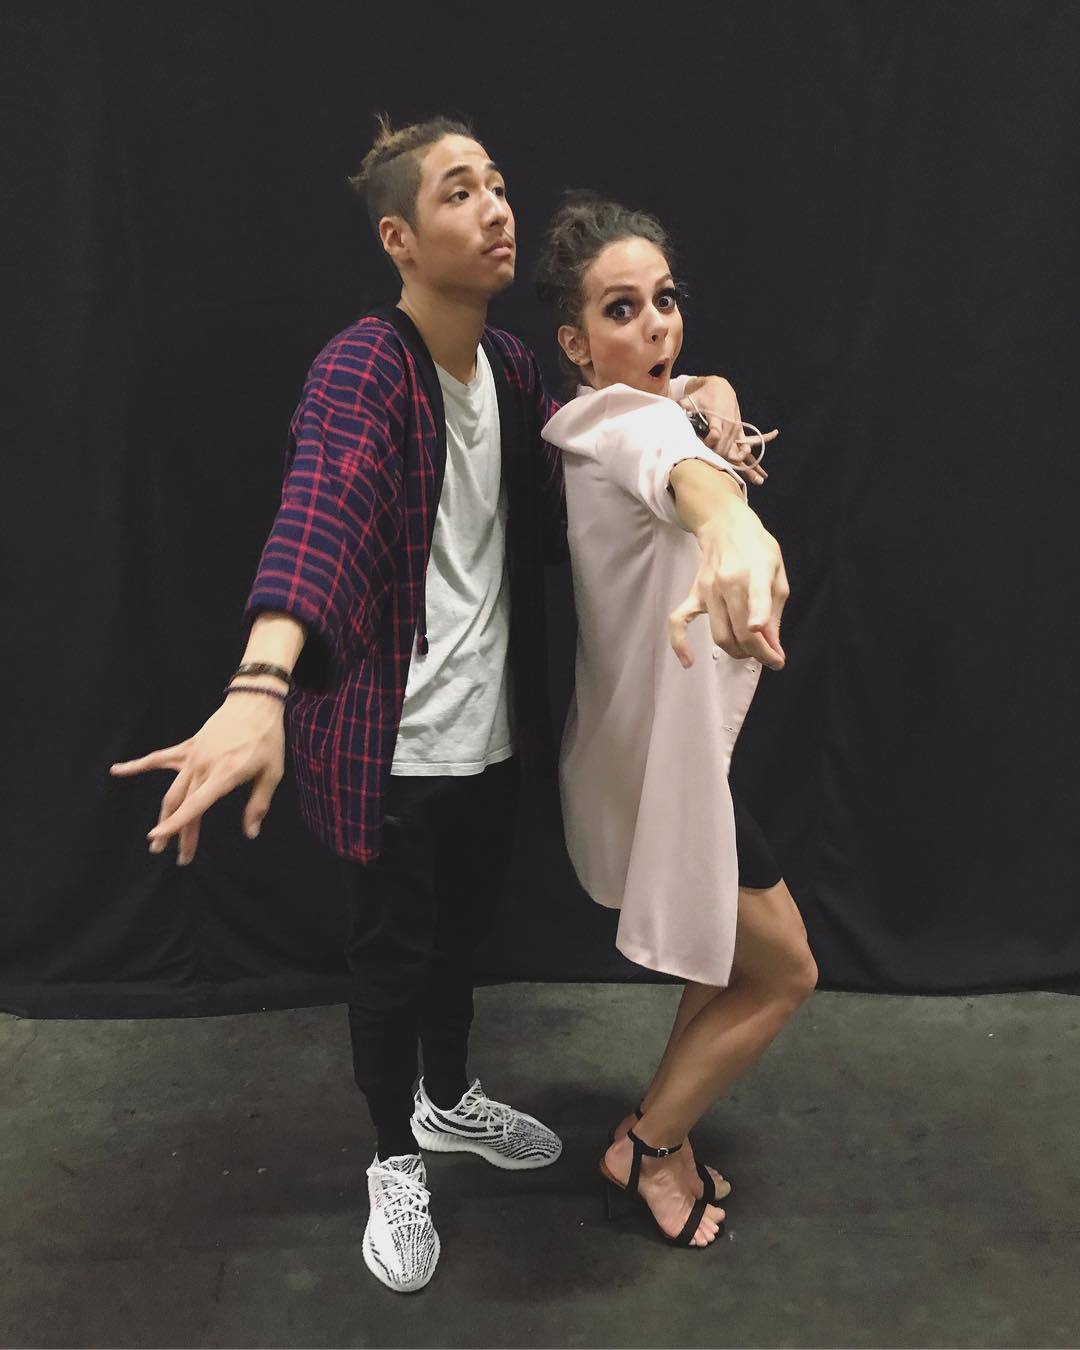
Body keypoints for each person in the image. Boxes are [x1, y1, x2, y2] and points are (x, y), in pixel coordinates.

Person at [108, 117, 755, 1293]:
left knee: (462, 939)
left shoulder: (509, 369)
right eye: (461, 192)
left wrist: (692, 402)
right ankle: (392, 1157)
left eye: (497, 184)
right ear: (400, 238)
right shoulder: (364, 369)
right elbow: (322, 514)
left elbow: (590, 481)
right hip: (392, 743)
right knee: (390, 961)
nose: (496, 207)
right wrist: (261, 683)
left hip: (491, 733)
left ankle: (448, 1100)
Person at [536, 193, 818, 1249]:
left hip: (664, 759)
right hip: (658, 767)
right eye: (621, 310)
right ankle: (651, 1149)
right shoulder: (630, 426)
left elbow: (692, 403)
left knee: (720, 959)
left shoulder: (616, 413)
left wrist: (714, 392)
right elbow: (690, 476)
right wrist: (737, 529)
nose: (656, 325)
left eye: (664, 299)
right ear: (575, 342)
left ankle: (661, 1128)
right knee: (786, 972)